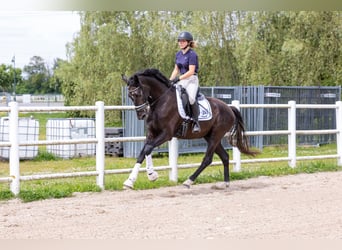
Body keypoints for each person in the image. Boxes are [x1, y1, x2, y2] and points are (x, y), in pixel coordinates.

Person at [170, 31, 201, 133]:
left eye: (183, 41)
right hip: (182, 79)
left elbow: (191, 71)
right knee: (174, 97)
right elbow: (176, 69)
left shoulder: (192, 54)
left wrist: (178, 78)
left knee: (191, 99)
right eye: (179, 41)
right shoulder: (178, 54)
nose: (180, 43)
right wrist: (170, 81)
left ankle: (196, 122)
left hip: (191, 80)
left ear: (188, 42)